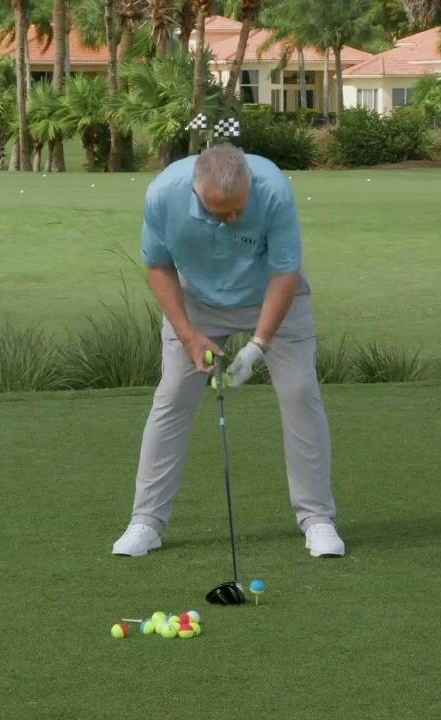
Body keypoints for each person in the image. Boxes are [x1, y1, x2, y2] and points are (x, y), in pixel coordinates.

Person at [112, 144, 345, 559]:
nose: (233, 219)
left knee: (299, 392)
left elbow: (285, 272)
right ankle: (145, 521)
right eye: (222, 212)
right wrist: (188, 337)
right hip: (197, 304)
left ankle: (317, 520)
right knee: (173, 395)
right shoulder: (163, 195)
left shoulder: (273, 190)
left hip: (272, 297)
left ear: (249, 185)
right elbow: (158, 267)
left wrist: (258, 345)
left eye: (239, 209)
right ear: (196, 191)